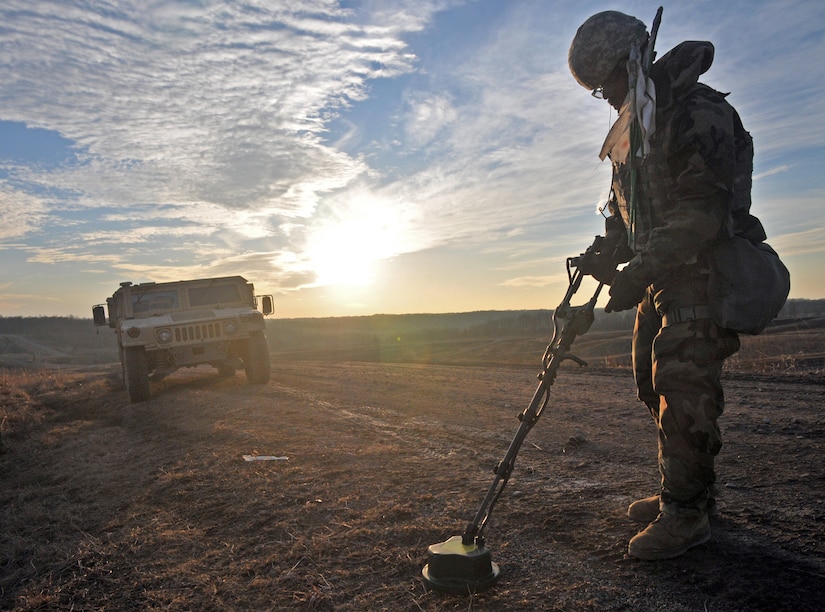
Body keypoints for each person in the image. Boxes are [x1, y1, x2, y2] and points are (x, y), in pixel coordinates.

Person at [567, 10, 761, 560]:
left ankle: (687, 512)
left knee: (683, 388)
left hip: (700, 277)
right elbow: (630, 215)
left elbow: (701, 213)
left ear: (635, 60)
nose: (605, 95)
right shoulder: (639, 125)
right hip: (659, 279)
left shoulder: (698, 113)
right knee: (651, 386)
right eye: (597, 87)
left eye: (608, 80)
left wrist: (639, 273)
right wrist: (606, 251)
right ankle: (684, 489)